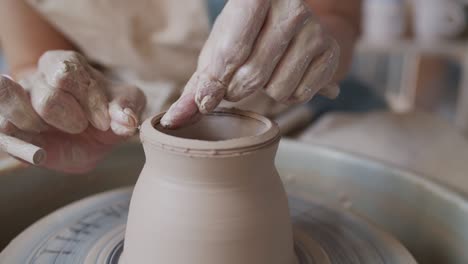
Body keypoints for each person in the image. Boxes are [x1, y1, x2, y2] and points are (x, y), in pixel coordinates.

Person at [0, 0, 361, 173]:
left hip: (292, 111)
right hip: (127, 120)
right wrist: (61, 106)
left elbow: (336, 18)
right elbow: (34, 60)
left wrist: (315, 44)